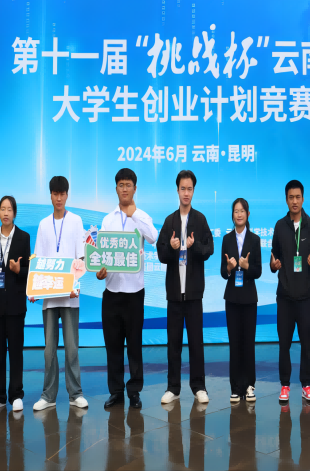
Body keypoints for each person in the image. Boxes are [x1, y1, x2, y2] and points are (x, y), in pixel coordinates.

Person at [96, 168, 158, 409]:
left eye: (128, 185)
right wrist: (100, 271)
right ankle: (116, 392)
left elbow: (153, 237)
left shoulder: (142, 216)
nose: (124, 189)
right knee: (113, 346)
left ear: (135, 188)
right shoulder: (107, 220)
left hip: (134, 294)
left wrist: (135, 215)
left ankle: (134, 392)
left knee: (134, 344)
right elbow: (102, 253)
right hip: (111, 292)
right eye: (121, 185)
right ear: (116, 189)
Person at [156, 170, 214, 406]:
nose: (186, 193)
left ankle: (199, 387)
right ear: (177, 190)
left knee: (196, 343)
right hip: (174, 294)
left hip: (194, 295)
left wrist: (194, 245)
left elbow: (209, 249)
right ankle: (173, 388)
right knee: (174, 344)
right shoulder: (169, 221)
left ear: (193, 191)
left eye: (190, 189)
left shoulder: (200, 220)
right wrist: (172, 248)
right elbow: (161, 254)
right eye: (183, 189)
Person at [32, 176, 89, 412]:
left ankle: (76, 393)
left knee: (72, 348)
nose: (58, 198)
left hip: (70, 297)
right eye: (55, 194)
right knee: (49, 350)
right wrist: (34, 288)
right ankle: (48, 396)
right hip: (49, 298)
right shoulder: (44, 224)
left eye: (62, 193)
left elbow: (81, 259)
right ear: (50, 195)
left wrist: (75, 284)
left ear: (67, 195)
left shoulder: (76, 221)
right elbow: (37, 260)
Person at [270, 180, 310, 402]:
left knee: (306, 344)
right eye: (291, 197)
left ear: (303, 199)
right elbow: (274, 256)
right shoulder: (280, 226)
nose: (294, 201)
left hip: (306, 297)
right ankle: (285, 385)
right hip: (284, 297)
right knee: (284, 344)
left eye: (298, 197)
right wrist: (273, 265)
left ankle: (306, 384)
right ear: (286, 200)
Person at [0, 196, 31, 412]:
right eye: (2, 209)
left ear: (15, 213)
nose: (5, 213)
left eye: (9, 209)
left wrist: (18, 270)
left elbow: (28, 271)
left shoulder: (23, 237)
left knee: (16, 350)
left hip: (15, 303)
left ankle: (16, 395)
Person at [220, 198, 262, 403]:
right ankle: (235, 387)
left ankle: (249, 386)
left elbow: (258, 271)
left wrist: (246, 267)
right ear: (232, 215)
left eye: (242, 211)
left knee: (248, 343)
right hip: (232, 299)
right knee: (235, 343)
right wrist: (229, 268)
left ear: (248, 214)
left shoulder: (255, 239)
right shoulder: (227, 239)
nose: (239, 214)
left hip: (249, 298)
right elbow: (223, 272)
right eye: (236, 211)